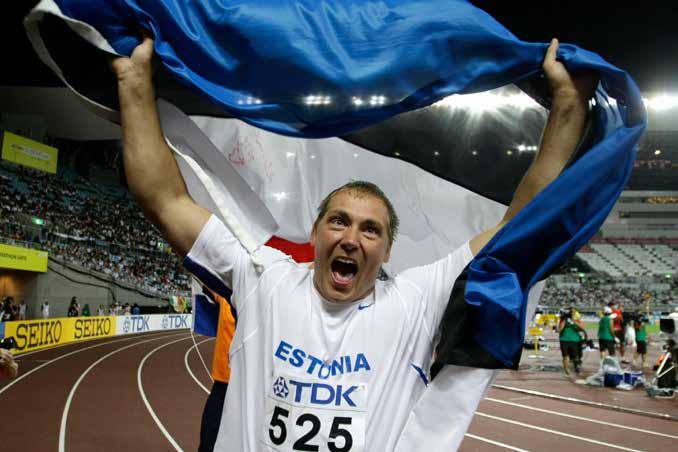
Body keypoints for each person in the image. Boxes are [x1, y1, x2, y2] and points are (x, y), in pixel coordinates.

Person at [113, 36, 593, 451]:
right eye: (338, 221)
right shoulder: (264, 278)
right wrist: (134, 83)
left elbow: (520, 225)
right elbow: (165, 199)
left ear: (388, 251)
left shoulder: (416, 300)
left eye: (370, 229)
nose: (350, 238)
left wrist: (568, 108)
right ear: (315, 233)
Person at [199, 288, 236, 452]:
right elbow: (208, 281)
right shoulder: (225, 297)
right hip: (223, 383)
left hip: (247, 384)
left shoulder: (262, 304)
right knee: (209, 435)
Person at [558, 307, 585, 375]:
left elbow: (582, 327)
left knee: (571, 356)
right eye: (572, 312)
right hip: (569, 340)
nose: (573, 312)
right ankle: (569, 369)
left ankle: (572, 368)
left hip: (571, 340)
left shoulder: (574, 318)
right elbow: (560, 329)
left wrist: (573, 321)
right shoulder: (565, 319)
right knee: (568, 356)